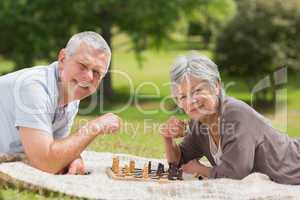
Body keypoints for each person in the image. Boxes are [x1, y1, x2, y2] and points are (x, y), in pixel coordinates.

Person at [160, 53, 300, 185]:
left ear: (216, 86)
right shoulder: (200, 123)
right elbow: (180, 162)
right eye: (183, 96)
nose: (191, 101)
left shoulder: (235, 115)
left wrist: (201, 170)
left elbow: (237, 173)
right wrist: (167, 138)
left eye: (197, 91)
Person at [0, 31, 121, 175]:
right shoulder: (34, 88)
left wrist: (73, 157)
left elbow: (57, 149)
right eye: (83, 65)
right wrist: (94, 127)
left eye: (96, 72)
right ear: (63, 59)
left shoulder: (70, 93)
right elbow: (46, 162)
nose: (88, 77)